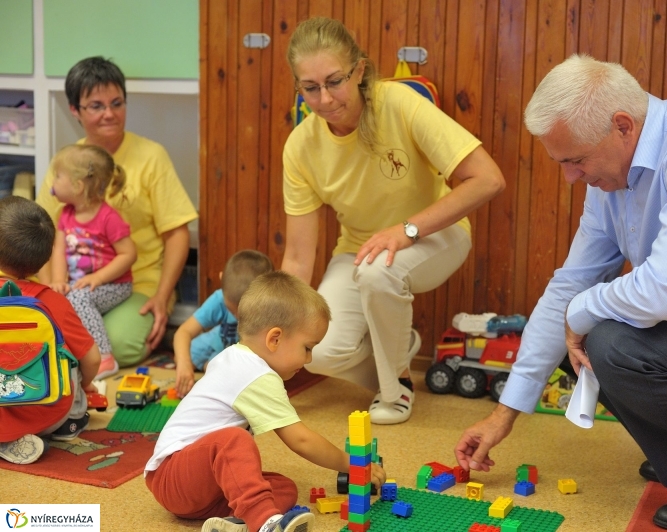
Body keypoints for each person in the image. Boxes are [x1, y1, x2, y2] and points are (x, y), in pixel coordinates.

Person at [455, 54, 667, 532]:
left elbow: (664, 292)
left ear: (622, 125)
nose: (570, 177)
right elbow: (570, 284)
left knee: (611, 342)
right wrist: (503, 414)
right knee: (571, 334)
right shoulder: (612, 176)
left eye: (574, 160)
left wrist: (580, 312)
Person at [281, 17, 506, 425]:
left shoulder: (398, 103)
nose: (325, 99)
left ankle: (395, 388)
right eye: (310, 88)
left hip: (437, 235)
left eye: (335, 81)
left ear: (360, 70)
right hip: (359, 250)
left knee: (377, 274)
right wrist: (275, 334)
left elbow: (488, 179)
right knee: (316, 352)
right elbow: (297, 257)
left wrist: (407, 230)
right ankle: (396, 350)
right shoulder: (300, 146)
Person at [145, 270, 386, 532]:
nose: (308, 360)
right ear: (275, 339)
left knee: (283, 488)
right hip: (172, 476)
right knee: (234, 441)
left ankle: (236, 524)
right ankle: (266, 524)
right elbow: (301, 440)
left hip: (199, 489)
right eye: (307, 348)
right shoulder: (255, 373)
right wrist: (351, 464)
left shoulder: (235, 357)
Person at [36, 56, 198, 373]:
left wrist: (163, 297)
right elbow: (45, 233)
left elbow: (176, 232)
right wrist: (50, 293)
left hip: (135, 284)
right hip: (72, 285)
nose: (109, 114)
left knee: (120, 344)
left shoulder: (152, 156)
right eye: (96, 106)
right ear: (75, 111)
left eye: (117, 103)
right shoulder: (65, 163)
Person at [0, 197, 101, 464]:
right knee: (72, 361)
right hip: (45, 416)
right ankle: (68, 426)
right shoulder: (52, 301)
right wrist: (86, 384)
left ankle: (6, 437)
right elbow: (92, 359)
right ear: (44, 259)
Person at [47, 144, 137, 380]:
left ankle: (105, 358)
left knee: (77, 298)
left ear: (77, 186)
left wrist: (98, 277)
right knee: (56, 300)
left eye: (58, 176)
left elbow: (128, 254)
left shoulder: (109, 218)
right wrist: (58, 281)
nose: (53, 182)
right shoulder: (65, 214)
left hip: (114, 285)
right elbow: (59, 249)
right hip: (80, 284)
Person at [172, 249, 274, 397]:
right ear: (221, 280)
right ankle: (209, 362)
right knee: (183, 353)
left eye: (245, 313)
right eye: (233, 311)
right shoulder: (218, 298)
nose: (238, 317)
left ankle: (210, 364)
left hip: (245, 355)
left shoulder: (272, 306)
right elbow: (183, 332)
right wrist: (184, 363)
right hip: (219, 339)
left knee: (231, 376)